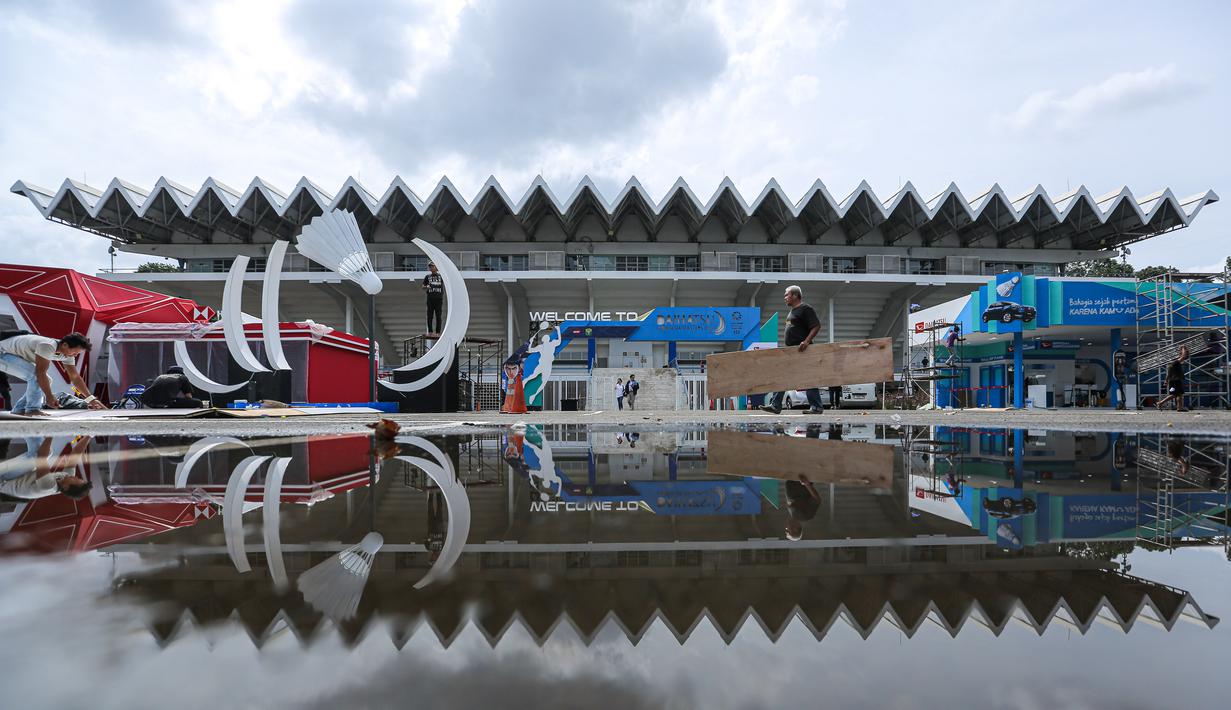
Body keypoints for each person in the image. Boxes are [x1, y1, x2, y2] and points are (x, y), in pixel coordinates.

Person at [0, 332, 105, 415]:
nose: (75, 355)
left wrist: (91, 399)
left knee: (47, 380)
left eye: (77, 354)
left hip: (13, 354)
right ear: (64, 344)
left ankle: (20, 409)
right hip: (2, 353)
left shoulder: (67, 355)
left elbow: (75, 377)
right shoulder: (47, 346)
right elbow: (40, 373)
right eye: (74, 352)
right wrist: (49, 396)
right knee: (36, 377)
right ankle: (32, 410)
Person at [760, 285, 824, 414]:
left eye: (786, 295)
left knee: (808, 377)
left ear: (795, 295)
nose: (785, 298)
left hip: (802, 350)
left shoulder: (806, 309)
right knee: (782, 376)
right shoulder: (793, 311)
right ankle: (776, 405)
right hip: (791, 350)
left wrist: (806, 341)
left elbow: (816, 326)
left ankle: (816, 407)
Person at [0, 436, 92, 500]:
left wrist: (51, 433)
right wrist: (90, 435)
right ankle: (26, 420)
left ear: (66, 487)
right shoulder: (67, 478)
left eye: (76, 480)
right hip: (16, 476)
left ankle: (26, 424)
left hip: (3, 480)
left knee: (38, 455)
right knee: (47, 452)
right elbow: (75, 453)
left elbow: (41, 457)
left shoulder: (48, 486)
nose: (75, 477)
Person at [140, 365, 205, 408]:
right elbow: (188, 396)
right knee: (198, 402)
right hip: (167, 402)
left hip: (149, 402)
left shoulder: (161, 376)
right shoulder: (182, 377)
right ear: (181, 372)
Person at [784, 474, 821, 541]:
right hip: (801, 477)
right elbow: (816, 500)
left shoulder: (792, 515)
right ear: (795, 529)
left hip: (791, 476)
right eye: (788, 531)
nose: (786, 528)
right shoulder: (806, 516)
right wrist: (807, 484)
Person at [1156, 345, 1189, 412]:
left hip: (1173, 381)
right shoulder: (1176, 362)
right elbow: (1183, 356)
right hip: (1177, 380)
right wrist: (1183, 348)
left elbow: (1169, 374)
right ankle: (1161, 403)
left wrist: (1166, 381)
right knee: (1177, 394)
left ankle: (1178, 407)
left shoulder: (1171, 364)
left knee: (1176, 394)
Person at [422, 262, 445, 334]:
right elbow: (423, 286)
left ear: (436, 267)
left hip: (439, 298)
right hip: (430, 298)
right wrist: (426, 287)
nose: (431, 268)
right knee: (430, 315)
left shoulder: (441, 276)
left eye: (432, 266)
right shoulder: (427, 276)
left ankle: (438, 332)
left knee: (438, 316)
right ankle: (430, 331)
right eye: (430, 267)